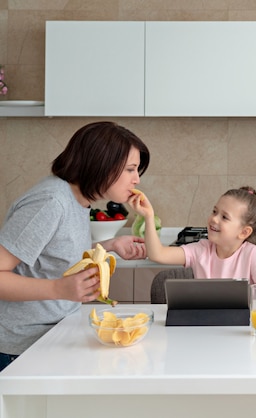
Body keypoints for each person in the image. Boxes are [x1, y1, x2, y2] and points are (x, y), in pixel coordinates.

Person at [0, 121, 150, 372]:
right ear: (101, 164)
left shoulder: (78, 199)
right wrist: (58, 288)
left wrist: (109, 245)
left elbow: (48, 254)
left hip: (50, 337)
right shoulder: (51, 202)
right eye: (131, 169)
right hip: (19, 349)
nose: (136, 179)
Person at [129, 186, 256, 319]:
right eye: (214, 211)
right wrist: (148, 216)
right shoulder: (200, 250)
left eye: (224, 217)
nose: (214, 219)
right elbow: (158, 254)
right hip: (203, 325)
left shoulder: (251, 254)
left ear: (244, 232)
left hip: (238, 329)